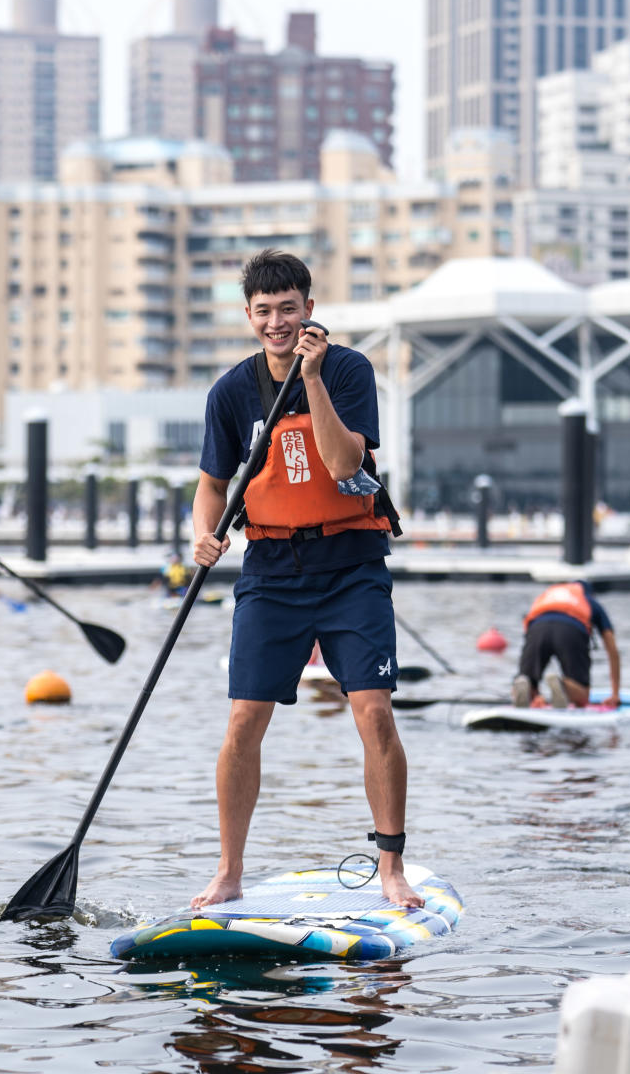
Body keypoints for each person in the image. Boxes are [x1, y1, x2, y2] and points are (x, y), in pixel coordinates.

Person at [191, 248, 423, 910]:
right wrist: (201, 535)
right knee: (242, 722)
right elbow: (211, 486)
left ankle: (390, 867)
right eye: (263, 312)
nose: (277, 323)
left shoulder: (347, 370)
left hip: (351, 565)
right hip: (270, 572)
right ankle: (230, 870)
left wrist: (313, 380)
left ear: (309, 310)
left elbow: (345, 459)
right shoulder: (231, 392)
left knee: (373, 711)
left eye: (288, 309)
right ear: (249, 316)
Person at [512, 581, 621, 709]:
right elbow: (612, 649)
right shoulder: (590, 601)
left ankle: (527, 686)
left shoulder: (547, 596)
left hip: (537, 629)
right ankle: (562, 686)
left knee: (526, 679)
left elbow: (528, 629)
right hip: (571, 629)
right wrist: (615, 694)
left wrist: (537, 694)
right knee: (582, 696)